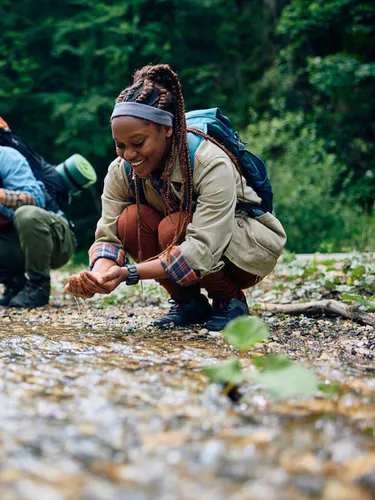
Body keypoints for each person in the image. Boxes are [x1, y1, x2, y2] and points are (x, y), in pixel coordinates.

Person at [66, 64, 286, 331]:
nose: (128, 154)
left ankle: (230, 300)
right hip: (187, 245)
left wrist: (129, 273)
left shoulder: (209, 161)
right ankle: (187, 302)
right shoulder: (120, 169)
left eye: (138, 143)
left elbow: (202, 248)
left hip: (246, 251)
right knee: (130, 220)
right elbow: (109, 236)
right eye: (120, 145)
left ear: (167, 129)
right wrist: (98, 275)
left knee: (173, 226)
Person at [0, 145, 77, 308]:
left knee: (26, 214)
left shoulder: (6, 156)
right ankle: (13, 282)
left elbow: (36, 200)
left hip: (56, 239)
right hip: (15, 244)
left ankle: (39, 285)